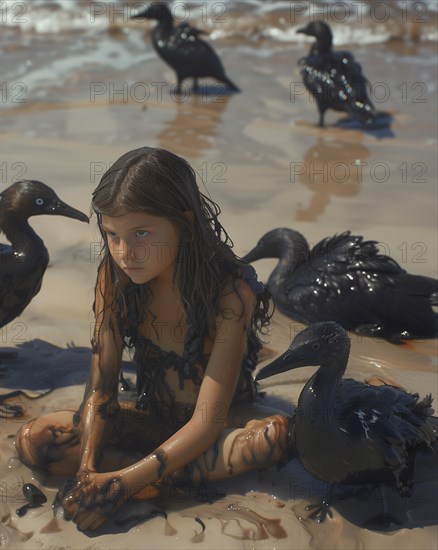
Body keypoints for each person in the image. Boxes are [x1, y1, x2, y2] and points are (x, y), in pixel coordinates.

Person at [15, 147, 290, 531]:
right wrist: (87, 472)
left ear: (184, 223)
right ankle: (154, 478)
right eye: (112, 235)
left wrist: (119, 485)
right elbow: (100, 393)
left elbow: (207, 422)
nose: (125, 252)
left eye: (141, 233)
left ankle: (140, 475)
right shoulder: (114, 277)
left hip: (212, 433)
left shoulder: (229, 291)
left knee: (268, 441)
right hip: (150, 418)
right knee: (35, 440)